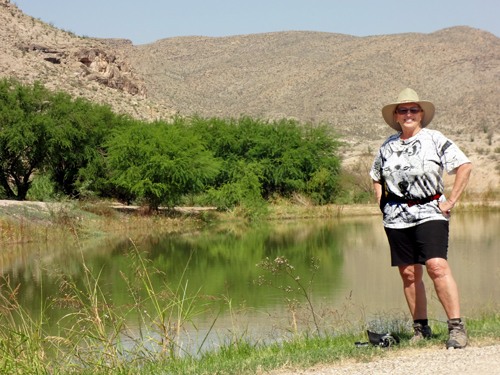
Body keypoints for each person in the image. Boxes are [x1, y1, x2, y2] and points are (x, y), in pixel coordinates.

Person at [369, 88, 472, 349]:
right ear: (396, 115)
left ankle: (457, 328)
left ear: (421, 113)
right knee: (409, 273)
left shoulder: (434, 139)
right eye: (403, 110)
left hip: (430, 212)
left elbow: (464, 165)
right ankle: (420, 329)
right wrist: (383, 204)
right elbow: (376, 176)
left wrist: (450, 202)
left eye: (413, 109)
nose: (408, 114)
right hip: (396, 217)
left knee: (436, 265)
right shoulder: (387, 146)